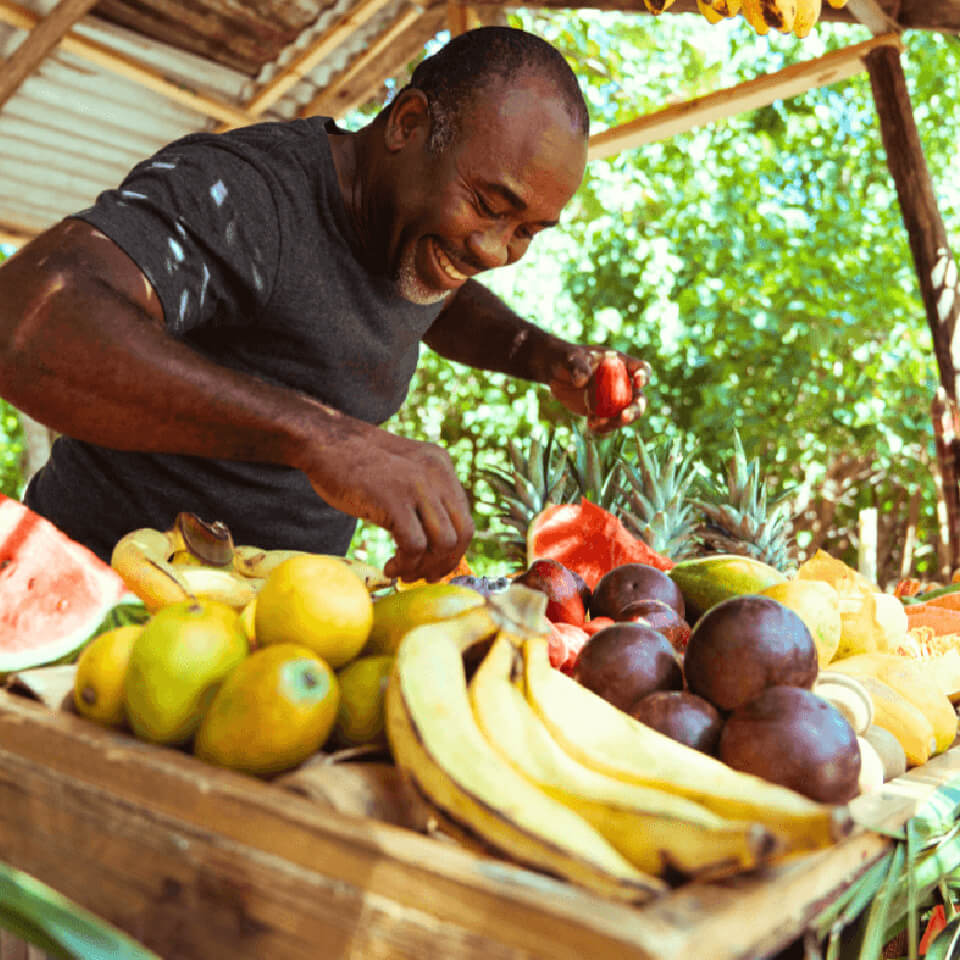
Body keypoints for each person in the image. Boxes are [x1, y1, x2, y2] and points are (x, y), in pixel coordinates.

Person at [0, 26, 649, 583]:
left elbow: (438, 302)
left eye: (527, 231)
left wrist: (543, 356)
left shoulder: (412, 239)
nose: (495, 250)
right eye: (488, 205)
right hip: (96, 590)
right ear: (409, 123)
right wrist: (321, 437)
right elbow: (28, 319)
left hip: (267, 629)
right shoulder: (246, 196)